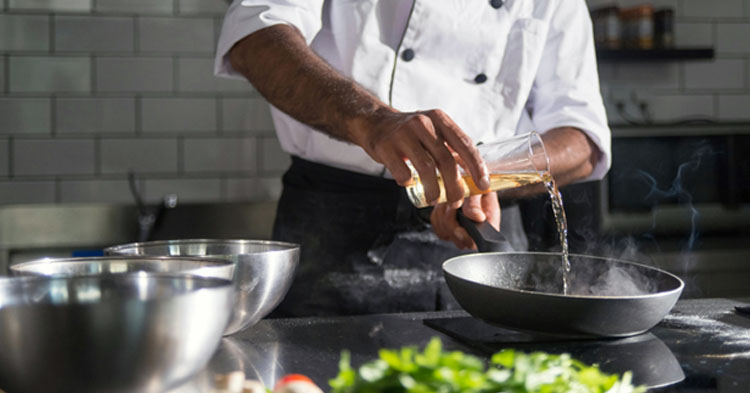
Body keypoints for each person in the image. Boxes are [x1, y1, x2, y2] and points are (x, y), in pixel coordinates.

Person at [215, 0, 610, 317]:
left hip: (480, 236)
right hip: (337, 232)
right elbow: (254, 35)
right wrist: (371, 121)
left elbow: (582, 140)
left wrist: (478, 176)